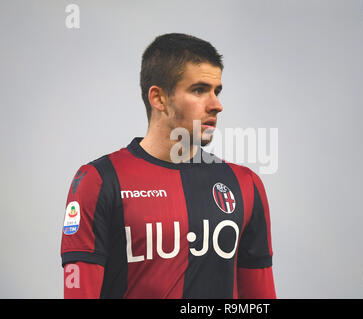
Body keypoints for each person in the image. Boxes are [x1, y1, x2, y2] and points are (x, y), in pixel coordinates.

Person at [61, 33, 276, 299]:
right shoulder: (98, 180)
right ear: (159, 99)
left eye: (217, 91)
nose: (217, 105)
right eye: (199, 90)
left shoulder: (245, 184)